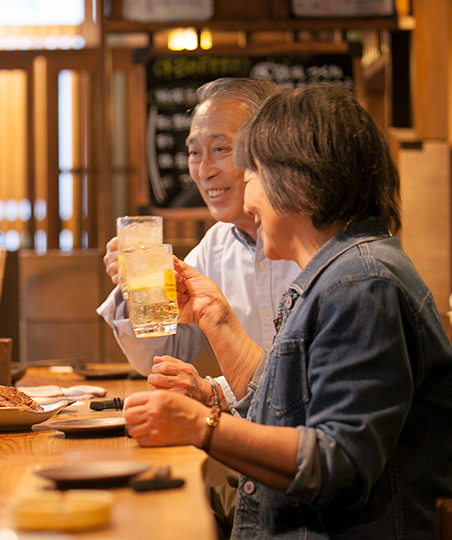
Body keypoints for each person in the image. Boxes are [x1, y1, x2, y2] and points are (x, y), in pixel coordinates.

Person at [123, 83, 452, 539]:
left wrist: (204, 426)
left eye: (253, 173)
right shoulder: (334, 272)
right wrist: (215, 323)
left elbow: (340, 462)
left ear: (300, 179)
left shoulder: (361, 283)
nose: (247, 195)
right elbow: (285, 416)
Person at [97, 78, 299, 415]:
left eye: (221, 149)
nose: (203, 171)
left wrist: (210, 392)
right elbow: (158, 357)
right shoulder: (217, 244)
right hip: (255, 447)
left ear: (271, 148)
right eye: (194, 153)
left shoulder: (311, 241)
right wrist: (136, 288)